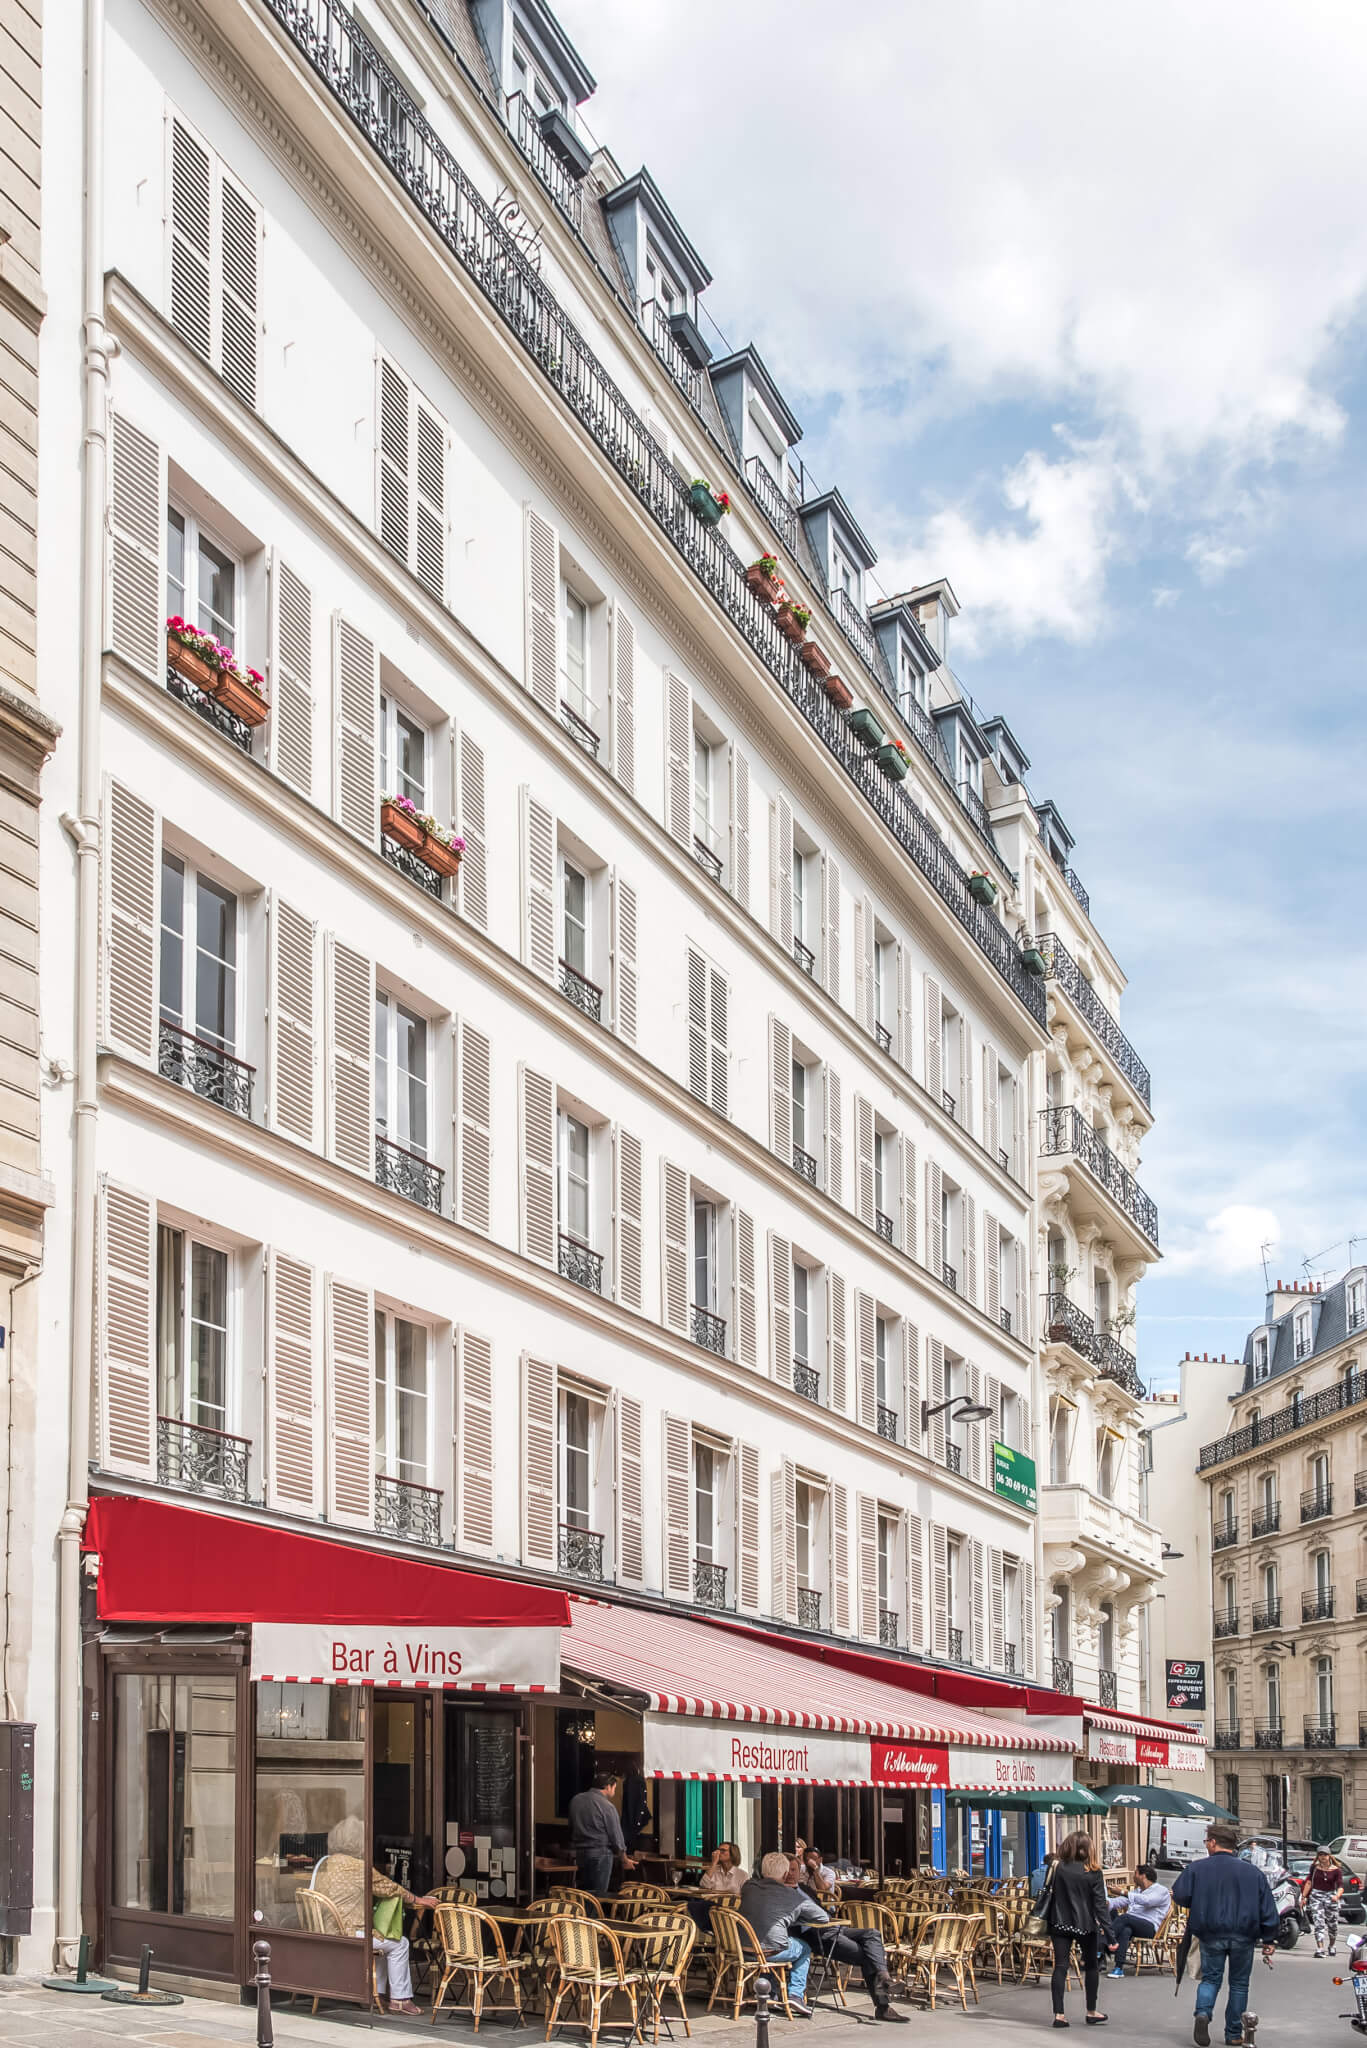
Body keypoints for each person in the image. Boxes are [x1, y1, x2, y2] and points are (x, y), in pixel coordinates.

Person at [738, 1850, 907, 2023]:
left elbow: (823, 1913)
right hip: (815, 1936)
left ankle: (884, 1977)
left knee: (872, 1934)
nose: (790, 1874)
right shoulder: (789, 1896)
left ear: (798, 1872)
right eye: (788, 1870)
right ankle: (883, 2004)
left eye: (795, 1870)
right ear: (783, 1873)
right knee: (867, 1956)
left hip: (832, 1928)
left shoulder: (803, 1890)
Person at [314, 1816, 437, 2018]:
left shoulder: (327, 1863)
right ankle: (400, 1999)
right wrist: (418, 1899)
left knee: (381, 1941)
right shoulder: (357, 1867)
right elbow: (389, 1888)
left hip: (326, 1930)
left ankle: (375, 1993)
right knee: (400, 1944)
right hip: (348, 1933)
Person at [1172, 1822, 1278, 2047]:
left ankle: (1203, 2013)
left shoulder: (1197, 1869)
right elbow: (1267, 1908)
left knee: (1211, 1979)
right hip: (1244, 1934)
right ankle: (1233, 2033)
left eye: (1206, 1842)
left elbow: (1179, 1895)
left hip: (1210, 1933)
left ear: (1212, 1843)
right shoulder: (1252, 1872)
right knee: (1239, 1984)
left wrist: (1199, 1899)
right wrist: (1269, 1938)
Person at [1041, 1830, 1110, 2029]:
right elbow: (1099, 1905)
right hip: (1085, 1925)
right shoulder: (1093, 1871)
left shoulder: (1057, 1867)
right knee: (1091, 1967)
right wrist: (1110, 1934)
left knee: (1060, 1966)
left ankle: (1059, 2015)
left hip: (1059, 1923)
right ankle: (1091, 2011)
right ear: (1088, 1849)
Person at [568, 1766, 637, 1897]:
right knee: (598, 1896)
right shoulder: (607, 1806)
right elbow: (616, 1836)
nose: (614, 1792)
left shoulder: (575, 1800)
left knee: (584, 1894)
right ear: (608, 1787)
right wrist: (624, 1859)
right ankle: (593, 1917)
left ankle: (582, 1916)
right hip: (600, 1855)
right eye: (615, 1788)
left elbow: (571, 1826)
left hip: (580, 1854)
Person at [1106, 1862, 1172, 1975]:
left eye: (1135, 1873)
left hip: (1150, 1927)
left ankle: (1103, 1944)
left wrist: (1123, 1892)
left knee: (1125, 1918)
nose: (1133, 1876)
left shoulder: (1161, 1891)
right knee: (1126, 1930)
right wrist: (1105, 1902)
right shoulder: (1136, 1891)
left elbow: (1147, 1900)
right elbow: (1118, 1902)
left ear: (1143, 1875)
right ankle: (1118, 1968)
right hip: (1133, 1924)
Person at [1302, 1846, 1345, 1958]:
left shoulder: (1336, 1870)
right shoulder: (1314, 1868)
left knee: (1332, 1924)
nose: (1323, 1857)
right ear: (1318, 1856)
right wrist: (1303, 1897)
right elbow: (1309, 1882)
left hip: (1330, 1896)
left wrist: (1337, 1896)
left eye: (1325, 1855)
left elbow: (1340, 1886)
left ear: (1329, 1856)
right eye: (1320, 1855)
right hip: (1316, 1896)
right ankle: (1320, 1948)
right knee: (1318, 1922)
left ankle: (1331, 1946)